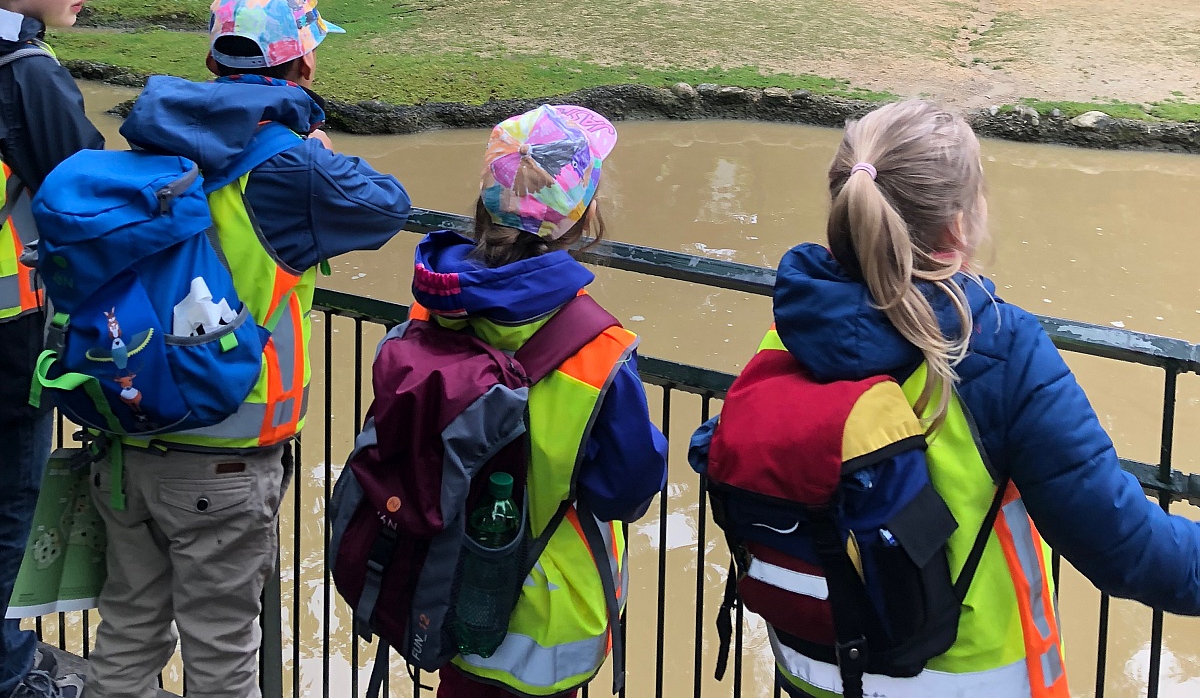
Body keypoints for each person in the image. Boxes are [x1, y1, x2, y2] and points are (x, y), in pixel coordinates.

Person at [760, 96, 1200, 698]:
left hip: (815, 673)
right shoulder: (996, 348)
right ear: (959, 226)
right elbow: (1128, 548)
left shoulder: (787, 333)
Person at [84, 0, 412, 698]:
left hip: (127, 431)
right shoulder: (289, 167)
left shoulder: (154, 137)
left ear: (211, 61)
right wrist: (315, 146)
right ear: (303, 62)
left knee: (129, 631)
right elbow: (388, 207)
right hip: (224, 452)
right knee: (224, 651)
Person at [411, 103, 668, 698]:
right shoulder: (600, 348)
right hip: (544, 618)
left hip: (436, 585)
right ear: (583, 216)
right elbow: (626, 490)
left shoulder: (433, 307)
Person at [0, 0, 119, 698]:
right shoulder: (27, 71)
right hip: (10, 330)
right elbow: (86, 191)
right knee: (13, 504)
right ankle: (9, 671)